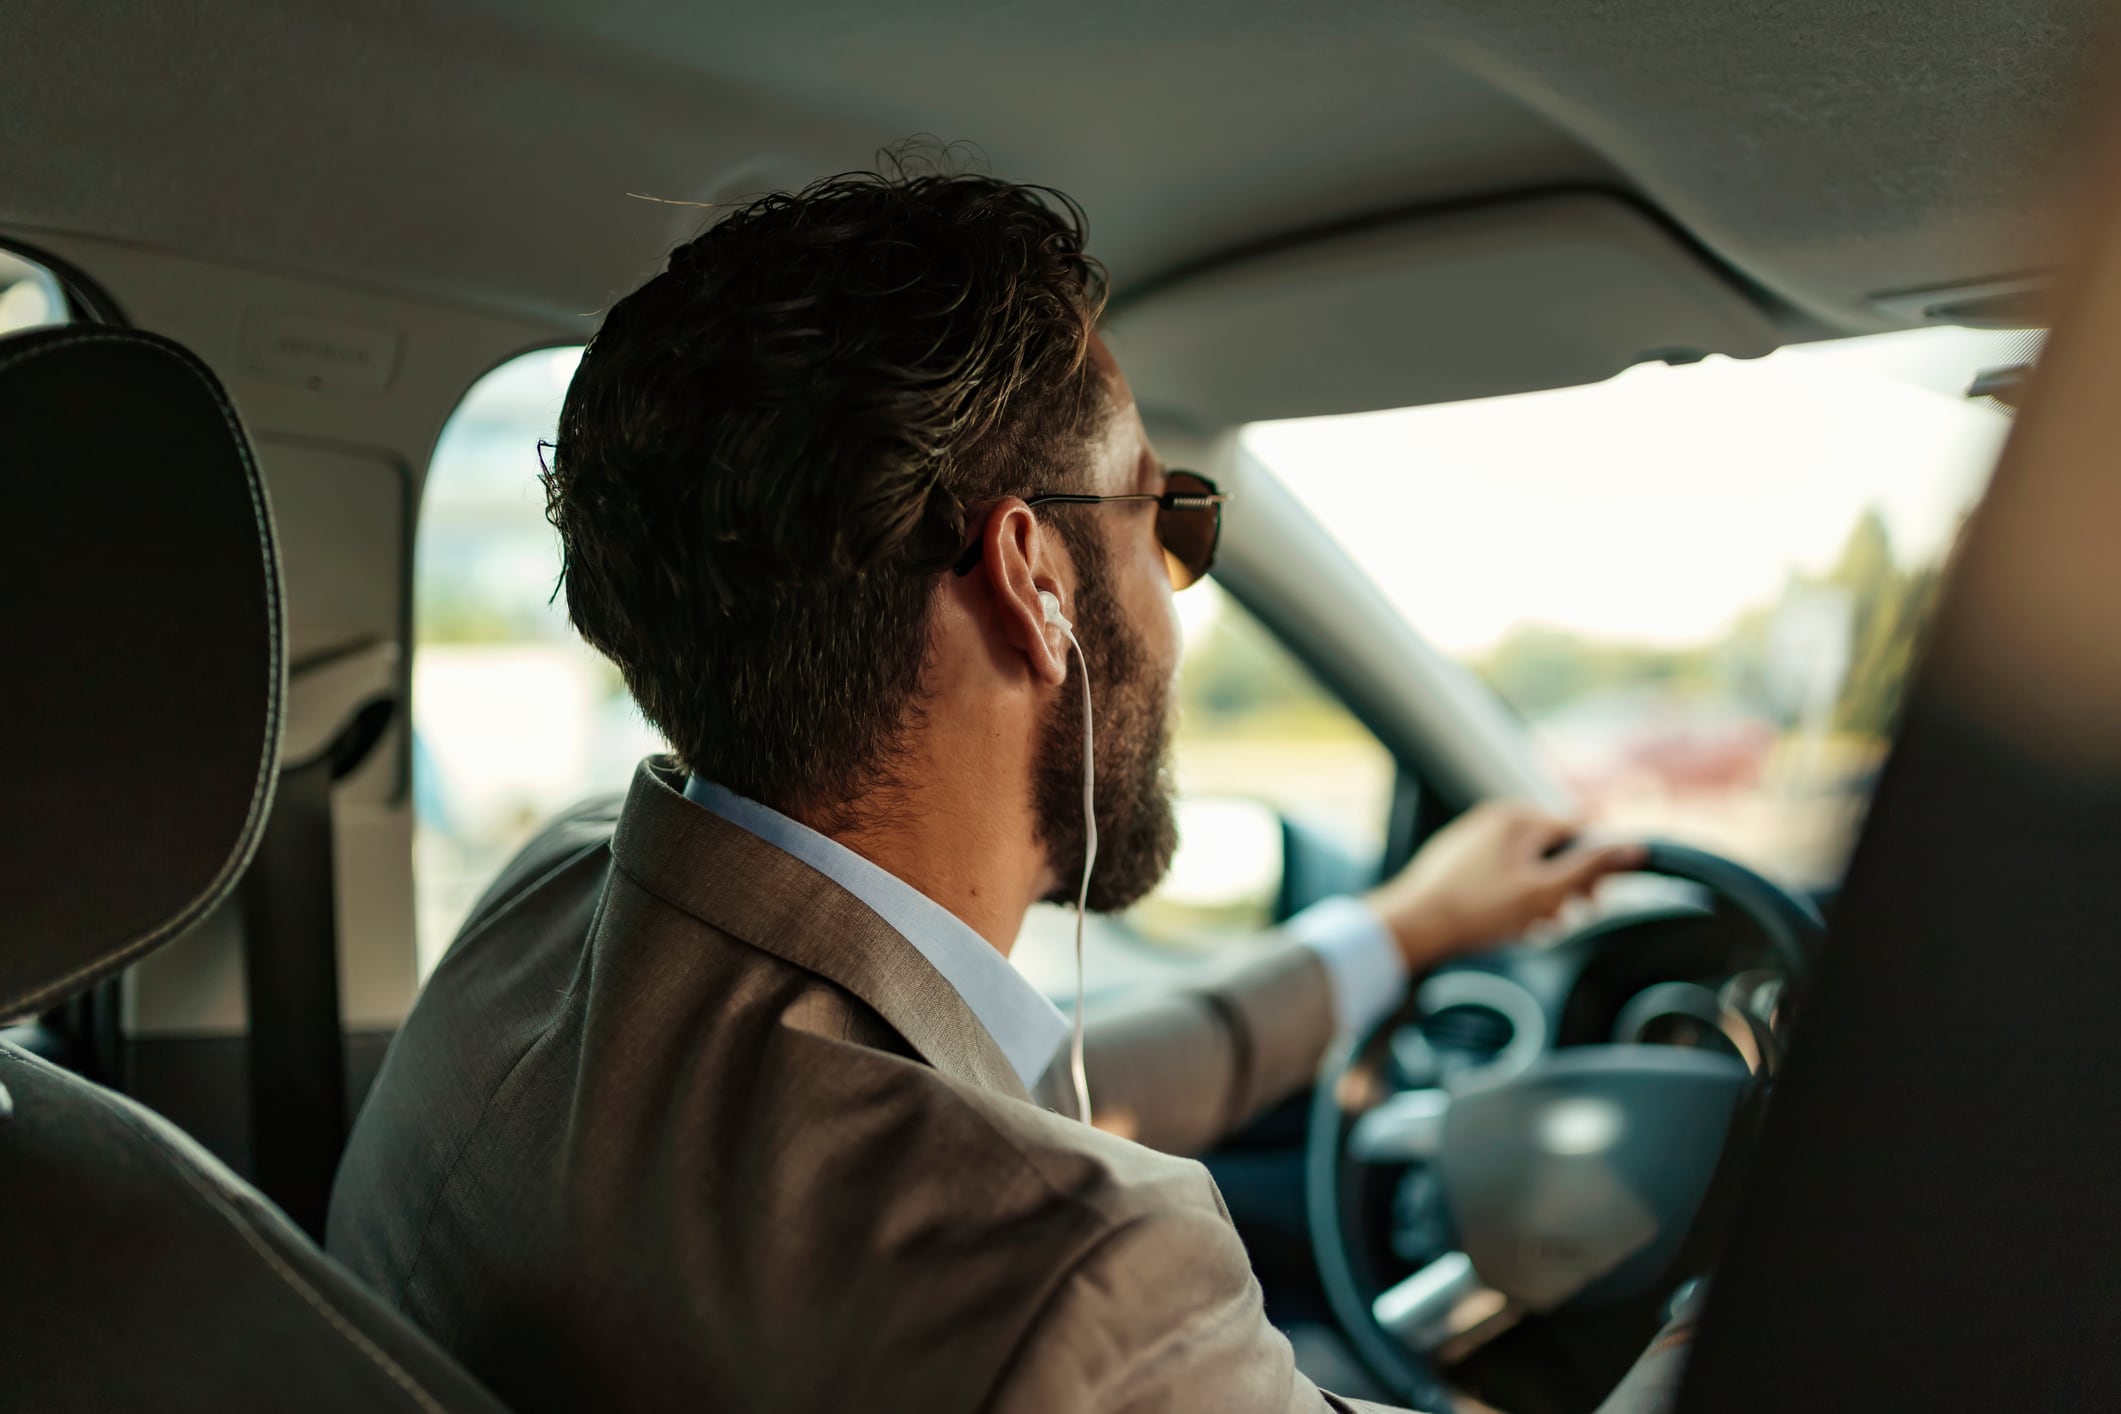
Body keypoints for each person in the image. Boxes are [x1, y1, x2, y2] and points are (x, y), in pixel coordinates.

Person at [328, 164, 1662, 1412]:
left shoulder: (554, 908)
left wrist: (1405, 929)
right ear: (1034, 578)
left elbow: (1022, 1093)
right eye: (1162, 515)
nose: (1177, 590)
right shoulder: (1085, 1278)